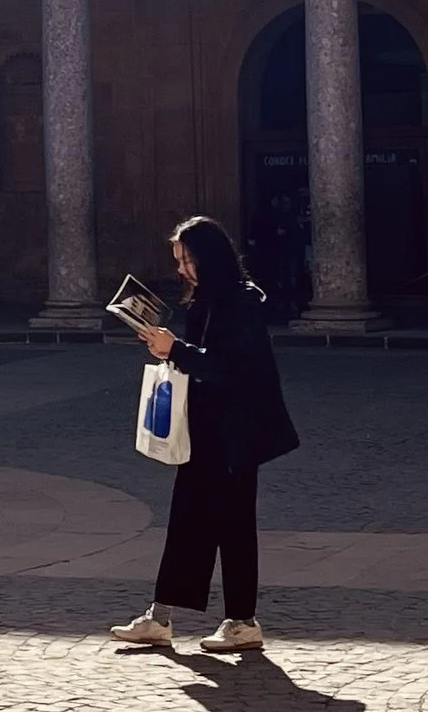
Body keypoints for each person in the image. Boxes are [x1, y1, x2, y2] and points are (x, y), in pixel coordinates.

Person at [109, 215, 300, 654]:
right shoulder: (207, 301)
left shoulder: (240, 302)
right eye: (177, 260)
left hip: (235, 433)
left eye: (187, 260)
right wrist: (168, 346)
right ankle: (159, 618)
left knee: (234, 525)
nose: (181, 270)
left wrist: (174, 349)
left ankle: (243, 622)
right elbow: (202, 359)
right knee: (186, 521)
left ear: (209, 258)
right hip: (205, 430)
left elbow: (228, 366)